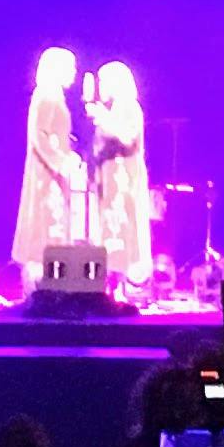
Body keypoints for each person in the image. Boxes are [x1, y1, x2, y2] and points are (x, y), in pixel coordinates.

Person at [12, 46, 87, 292]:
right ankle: (40, 288)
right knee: (45, 226)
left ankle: (51, 286)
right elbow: (39, 136)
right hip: (47, 175)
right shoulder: (46, 96)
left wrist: (69, 154)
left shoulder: (54, 96)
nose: (74, 73)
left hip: (54, 173)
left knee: (54, 226)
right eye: (70, 67)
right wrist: (61, 162)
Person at [85, 58, 152, 291]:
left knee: (122, 229)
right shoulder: (113, 109)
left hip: (123, 179)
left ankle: (122, 283)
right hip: (109, 180)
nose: (100, 86)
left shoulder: (128, 107)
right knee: (108, 230)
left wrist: (104, 119)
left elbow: (127, 137)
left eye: (103, 81)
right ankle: (109, 283)